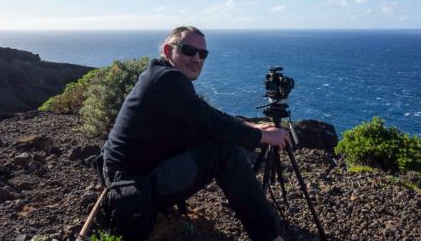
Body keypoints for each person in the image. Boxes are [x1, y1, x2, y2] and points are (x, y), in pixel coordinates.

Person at [102, 26, 291, 241]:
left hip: (131, 175)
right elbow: (211, 122)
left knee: (216, 137)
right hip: (135, 189)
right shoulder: (167, 80)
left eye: (203, 54)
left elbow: (205, 113)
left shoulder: (161, 75)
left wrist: (252, 126)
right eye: (188, 50)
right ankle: (270, 237)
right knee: (224, 152)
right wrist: (263, 137)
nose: (196, 58)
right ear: (167, 50)